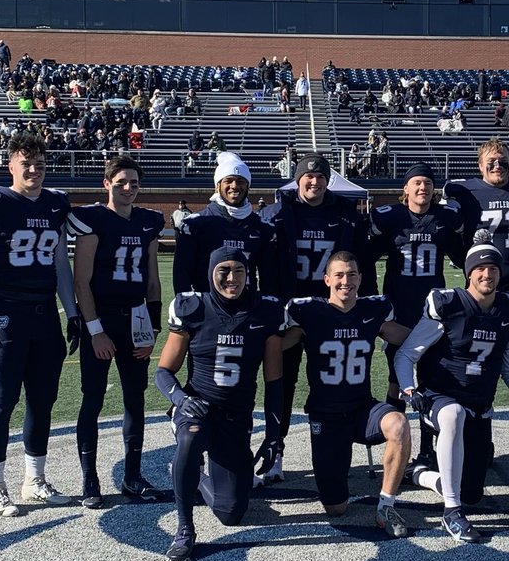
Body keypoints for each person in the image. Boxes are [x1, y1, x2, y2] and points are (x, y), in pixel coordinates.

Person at [0, 131, 81, 516]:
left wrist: (73, 312)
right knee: (3, 402)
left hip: (44, 313)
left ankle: (34, 480)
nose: (34, 170)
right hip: (6, 313)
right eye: (26, 164)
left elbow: (61, 265)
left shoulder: (56, 204)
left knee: (43, 401)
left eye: (40, 164)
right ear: (11, 165)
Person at [394, 243, 509, 543]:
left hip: (479, 405)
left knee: (471, 492)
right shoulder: (448, 304)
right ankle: (451, 511)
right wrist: (409, 390)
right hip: (439, 397)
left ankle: (420, 474)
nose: (487, 274)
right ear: (469, 273)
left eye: (493, 269)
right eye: (480, 268)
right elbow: (406, 354)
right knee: (453, 414)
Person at [155, 248, 284, 561]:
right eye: (223, 271)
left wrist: (274, 436)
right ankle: (185, 529)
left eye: (239, 270)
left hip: (236, 417)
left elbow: (274, 382)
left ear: (248, 273)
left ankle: (194, 475)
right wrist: (181, 400)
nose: (231, 278)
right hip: (198, 408)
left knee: (231, 513)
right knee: (190, 439)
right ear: (211, 273)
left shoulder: (265, 310)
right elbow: (163, 372)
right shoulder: (193, 308)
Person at [279, 252, 414, 537]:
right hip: (326, 416)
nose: (346, 281)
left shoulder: (372, 310)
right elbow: (277, 345)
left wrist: (446, 333)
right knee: (336, 508)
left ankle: (386, 506)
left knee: (399, 424)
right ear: (327, 280)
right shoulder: (309, 312)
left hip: (362, 409)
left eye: (352, 274)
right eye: (339, 275)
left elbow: (409, 338)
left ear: (360, 278)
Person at [259, 153, 372, 482]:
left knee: (332, 381)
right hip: (291, 310)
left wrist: (366, 305)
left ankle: (337, 448)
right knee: (282, 381)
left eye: (321, 177)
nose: (314, 182)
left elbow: (361, 261)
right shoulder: (277, 213)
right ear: (298, 180)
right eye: (308, 176)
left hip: (331, 311)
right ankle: (275, 449)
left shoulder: (345, 214)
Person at [67, 155, 165, 507]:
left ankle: (133, 476)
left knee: (135, 399)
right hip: (102, 318)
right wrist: (95, 331)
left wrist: (152, 328)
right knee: (93, 397)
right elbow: (81, 282)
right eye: (121, 182)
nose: (128, 188)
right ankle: (89, 478)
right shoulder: (94, 219)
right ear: (106, 184)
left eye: (134, 183)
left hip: (135, 318)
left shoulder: (149, 221)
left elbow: (152, 280)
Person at [368, 163, 464, 410]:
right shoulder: (392, 217)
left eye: (428, 183)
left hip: (432, 308)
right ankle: (395, 427)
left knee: (429, 375)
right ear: (406, 189)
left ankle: (427, 434)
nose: (423, 187)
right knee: (396, 379)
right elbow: (365, 258)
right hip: (399, 305)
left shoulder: (444, 218)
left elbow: (463, 259)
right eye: (417, 183)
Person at [444, 138, 509, 312]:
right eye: (491, 161)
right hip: (481, 283)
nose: (498, 166)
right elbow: (448, 230)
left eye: (503, 161)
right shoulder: (463, 191)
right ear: (480, 166)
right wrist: (463, 259)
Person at [173, 152, 273, 294]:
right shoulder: (196, 223)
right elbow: (182, 274)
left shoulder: (262, 226)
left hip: (247, 303)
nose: (234, 186)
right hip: (207, 303)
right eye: (228, 180)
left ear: (248, 186)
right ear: (217, 186)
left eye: (240, 181)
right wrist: (187, 302)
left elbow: (268, 277)